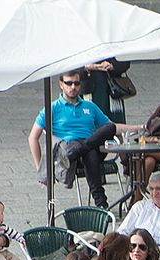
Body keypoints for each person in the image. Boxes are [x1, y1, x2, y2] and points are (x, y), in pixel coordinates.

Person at [30, 69, 117, 208]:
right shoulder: (52, 108)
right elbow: (33, 138)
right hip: (70, 147)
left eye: (76, 83)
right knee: (90, 153)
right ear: (61, 84)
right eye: (69, 83)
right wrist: (41, 168)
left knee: (110, 128)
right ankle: (101, 204)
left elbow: (111, 127)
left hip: (79, 150)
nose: (73, 87)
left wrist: (139, 127)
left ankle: (74, 153)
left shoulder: (89, 106)